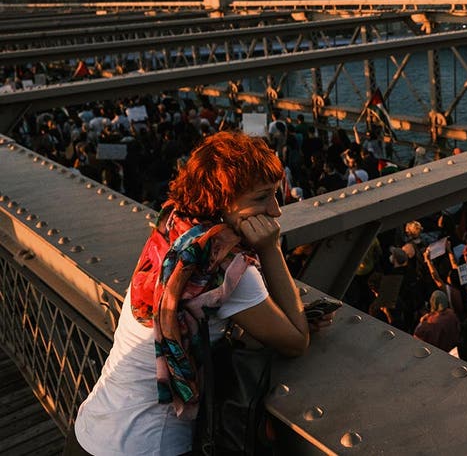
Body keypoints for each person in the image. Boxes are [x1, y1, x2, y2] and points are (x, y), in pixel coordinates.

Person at [70, 132, 330, 455]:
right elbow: (296, 341)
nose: (276, 211)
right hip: (150, 445)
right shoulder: (226, 269)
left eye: (275, 195)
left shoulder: (172, 229)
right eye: (261, 198)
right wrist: (271, 248)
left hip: (89, 429)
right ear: (223, 201)